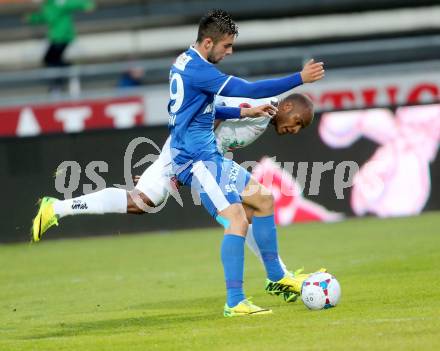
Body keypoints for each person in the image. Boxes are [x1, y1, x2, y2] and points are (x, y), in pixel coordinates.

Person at [31, 93, 320, 302]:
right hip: (189, 154)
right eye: (298, 121)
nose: (295, 129)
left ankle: (278, 276)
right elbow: (214, 111)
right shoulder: (260, 107)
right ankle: (57, 207)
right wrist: (181, 165)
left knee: (248, 206)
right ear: (288, 106)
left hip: (197, 158)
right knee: (144, 203)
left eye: (301, 128)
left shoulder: (264, 118)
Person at [166, 9, 325, 317]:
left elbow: (205, 109)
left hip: (208, 156)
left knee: (263, 199)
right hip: (197, 160)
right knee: (237, 220)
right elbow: (248, 91)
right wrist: (299, 78)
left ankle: (277, 278)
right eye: (226, 46)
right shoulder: (199, 70)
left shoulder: (187, 61)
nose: (230, 52)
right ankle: (235, 301)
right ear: (209, 42)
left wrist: (243, 113)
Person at [25, 0, 95, 90]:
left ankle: (60, 81)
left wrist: (87, 4)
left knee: (50, 59)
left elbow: (73, 3)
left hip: (63, 36)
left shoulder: (57, 3)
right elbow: (47, 17)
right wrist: (32, 18)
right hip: (55, 37)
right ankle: (62, 78)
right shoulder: (47, 6)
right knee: (53, 60)